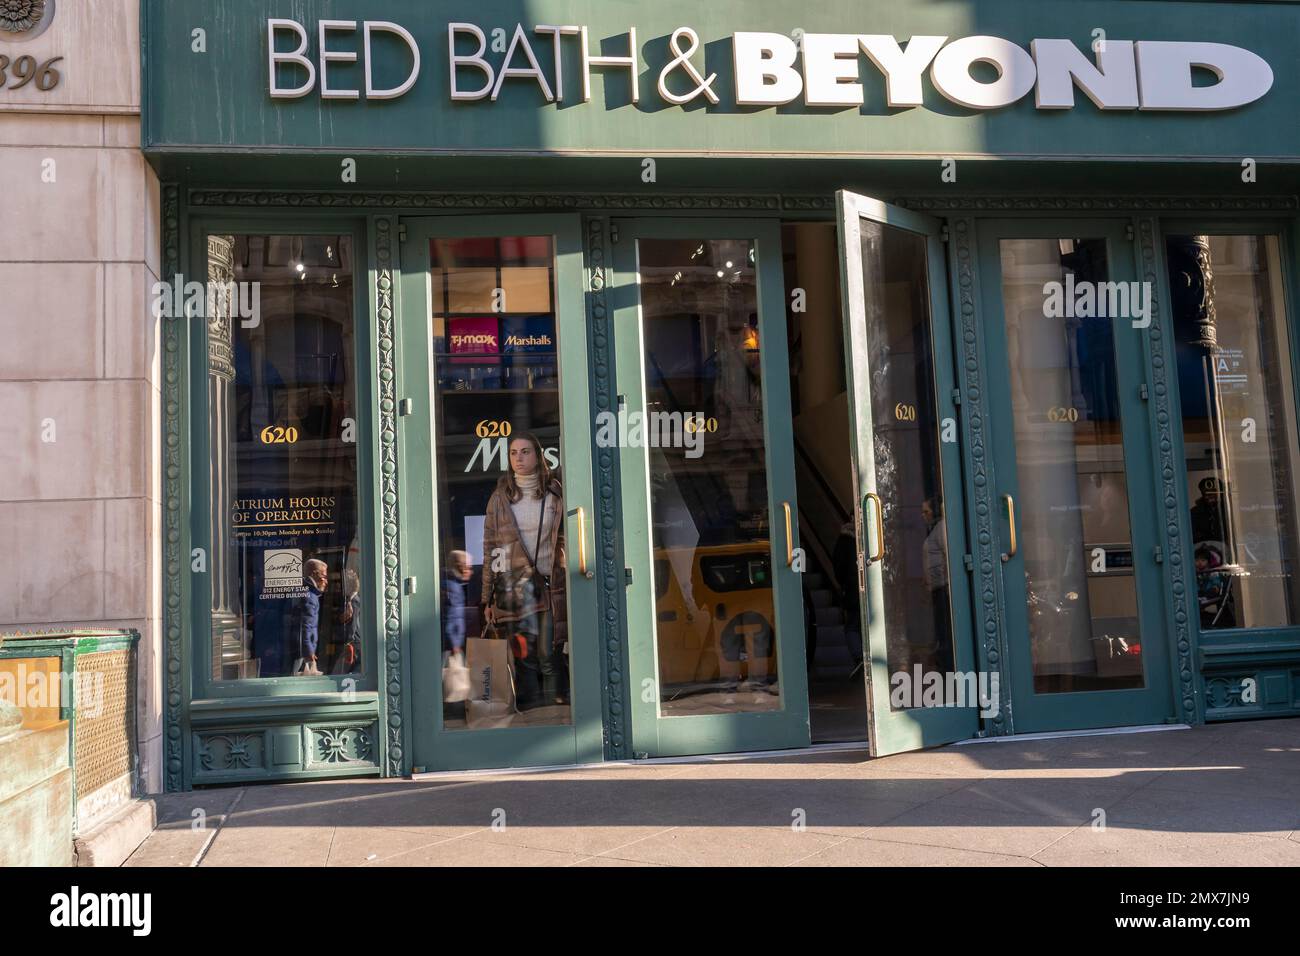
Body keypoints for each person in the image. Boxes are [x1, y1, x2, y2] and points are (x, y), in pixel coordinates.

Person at [480, 434, 568, 709]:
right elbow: (492, 549)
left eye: (525, 452)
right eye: (514, 453)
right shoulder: (500, 498)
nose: (519, 458)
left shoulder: (555, 492)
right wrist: (487, 598)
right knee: (525, 653)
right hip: (517, 585)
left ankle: (559, 706)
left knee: (548, 650)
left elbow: (566, 536)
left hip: (550, 582)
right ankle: (531, 709)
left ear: (538, 455)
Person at [294, 558, 328, 675]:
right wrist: (309, 651)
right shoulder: (309, 597)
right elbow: (306, 626)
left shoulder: (309, 593)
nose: (326, 581)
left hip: (303, 649)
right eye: (324, 576)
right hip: (303, 652)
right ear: (314, 574)